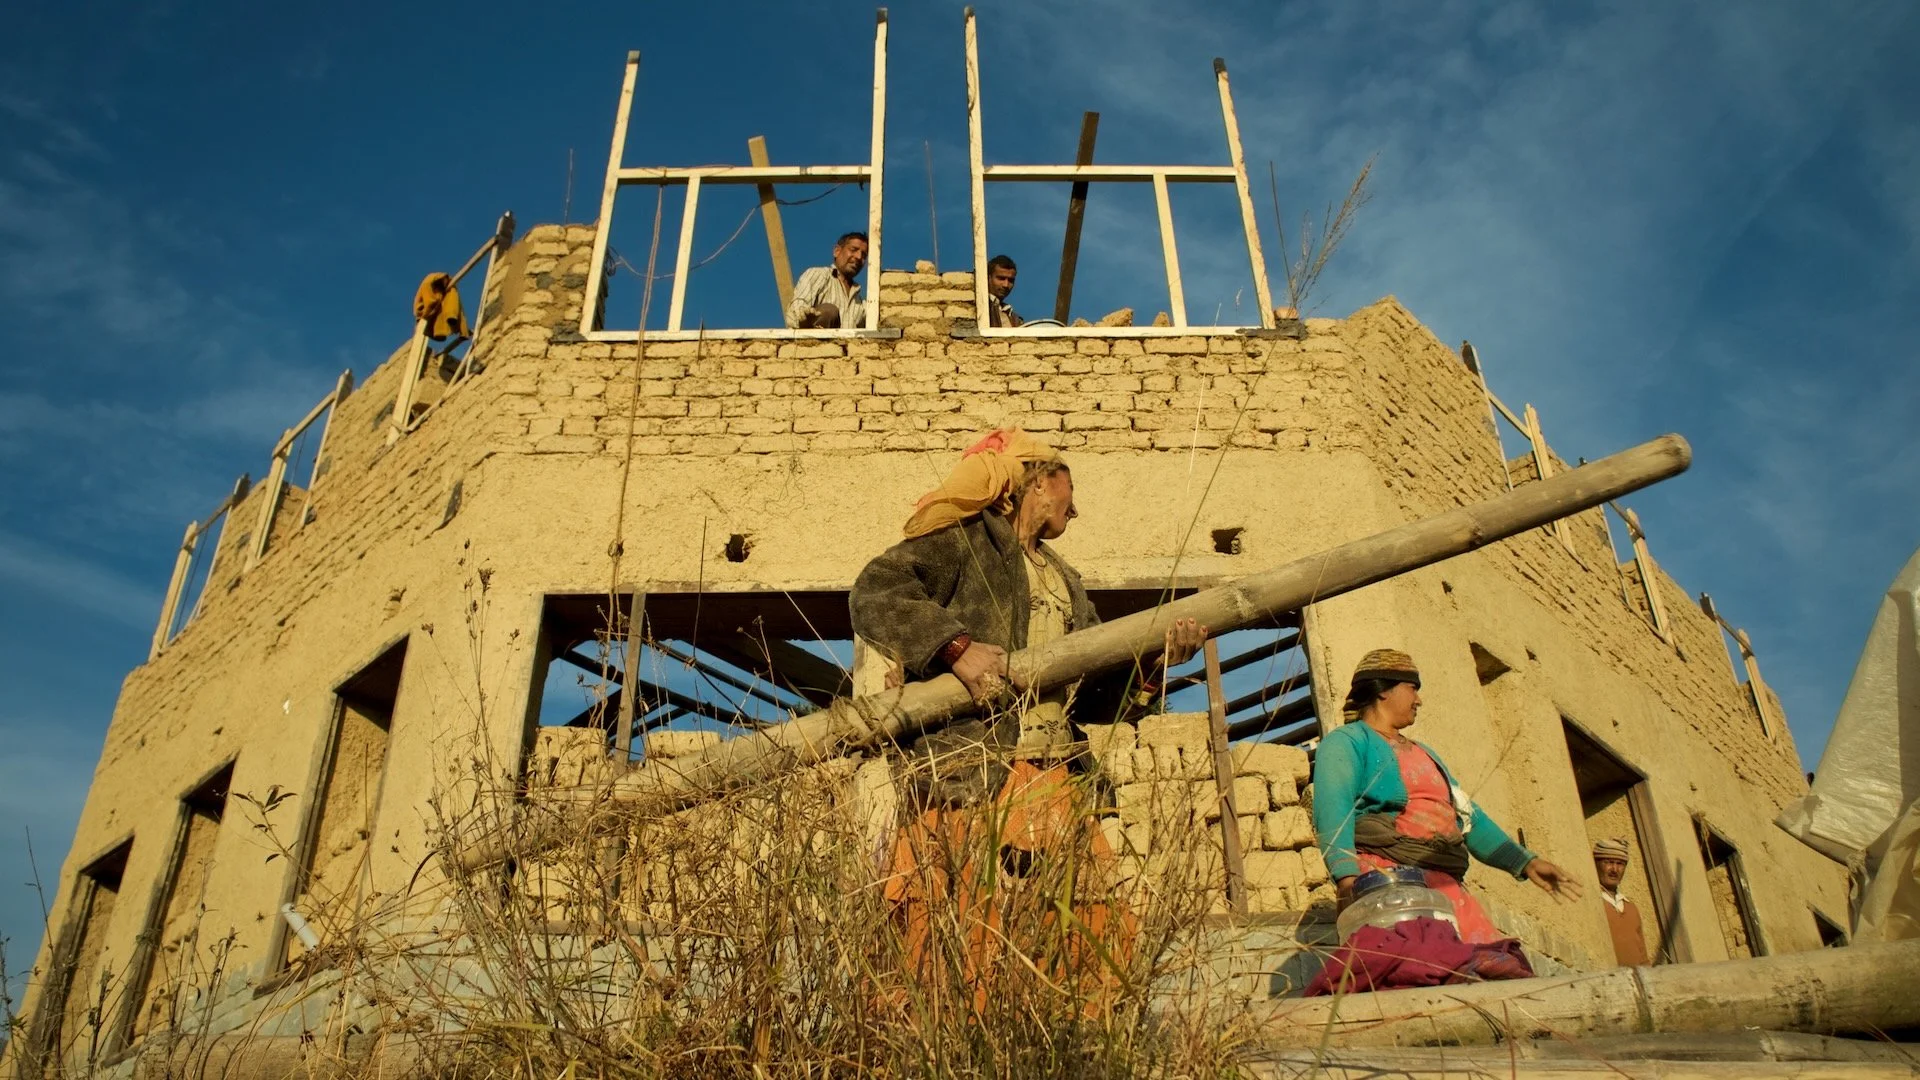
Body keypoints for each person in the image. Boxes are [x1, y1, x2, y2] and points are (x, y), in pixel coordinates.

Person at [850, 429, 1206, 1004]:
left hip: (1055, 775)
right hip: (969, 774)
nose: (1075, 505)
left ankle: (1078, 1054)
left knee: (1094, 932)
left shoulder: (1065, 580)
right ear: (1040, 481)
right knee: (950, 933)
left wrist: (1154, 666)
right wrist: (956, 648)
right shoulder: (964, 544)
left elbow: (1090, 699)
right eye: (1070, 486)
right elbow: (874, 593)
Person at [1311, 649, 1583, 945]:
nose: (1419, 700)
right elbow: (1333, 810)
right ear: (1384, 690)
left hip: (1446, 891)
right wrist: (1349, 881)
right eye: (1413, 688)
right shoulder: (1347, 742)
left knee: (1485, 972)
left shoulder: (1426, 754)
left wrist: (1525, 863)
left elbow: (1468, 818)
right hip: (1387, 883)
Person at [786, 232, 869, 329]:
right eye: (853, 250)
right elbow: (795, 311)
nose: (859, 257)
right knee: (829, 310)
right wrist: (805, 318)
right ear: (837, 251)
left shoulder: (860, 302)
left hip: (845, 344)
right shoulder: (818, 275)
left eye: (864, 255)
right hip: (815, 342)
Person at [1594, 837, 1651, 966]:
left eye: (1620, 864)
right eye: (1608, 862)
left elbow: (1642, 956)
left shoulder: (1631, 908)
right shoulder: (1594, 901)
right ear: (1596, 864)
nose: (1614, 869)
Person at [985, 253, 1023, 328]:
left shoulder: (1014, 318)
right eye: (1001, 278)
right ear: (988, 278)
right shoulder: (980, 307)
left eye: (1011, 280)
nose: (1006, 285)